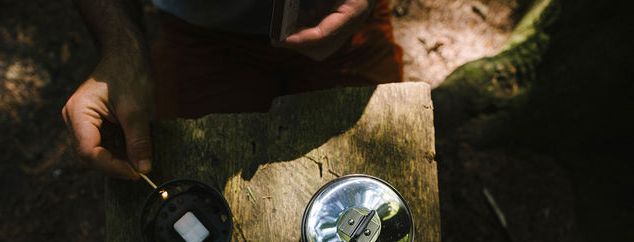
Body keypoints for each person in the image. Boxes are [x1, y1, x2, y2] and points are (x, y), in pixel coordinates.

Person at [62, 0, 403, 181]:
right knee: (194, 186)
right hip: (202, 34)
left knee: (376, 181)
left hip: (332, 9)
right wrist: (121, 49)